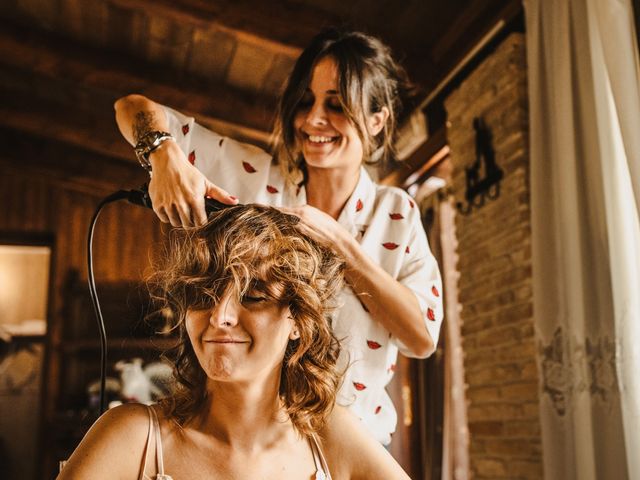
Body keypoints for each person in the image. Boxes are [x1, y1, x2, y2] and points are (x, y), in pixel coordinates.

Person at [114, 28, 443, 445]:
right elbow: (131, 107)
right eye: (305, 102)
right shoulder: (255, 179)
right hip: (249, 445)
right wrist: (161, 153)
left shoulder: (396, 213)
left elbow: (422, 338)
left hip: (356, 445)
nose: (312, 120)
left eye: (336, 105)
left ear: (377, 119)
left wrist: (341, 247)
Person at [57, 204, 410, 479]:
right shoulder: (132, 438)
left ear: (298, 321)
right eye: (203, 294)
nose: (219, 316)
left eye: (254, 296)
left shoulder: (332, 437)